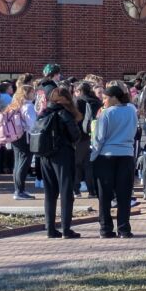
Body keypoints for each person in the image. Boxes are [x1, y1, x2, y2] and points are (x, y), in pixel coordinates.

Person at [32, 87, 84, 238]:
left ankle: (50, 229)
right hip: (63, 155)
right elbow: (75, 136)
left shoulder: (43, 113)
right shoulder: (64, 113)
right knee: (66, 192)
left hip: (44, 155)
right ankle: (66, 229)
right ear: (66, 99)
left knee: (50, 193)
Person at [91, 82, 137, 238]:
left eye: (106, 98)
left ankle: (105, 228)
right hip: (126, 155)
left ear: (115, 98)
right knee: (124, 194)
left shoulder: (107, 113)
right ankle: (124, 228)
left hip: (106, 156)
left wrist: (93, 156)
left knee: (104, 195)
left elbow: (99, 138)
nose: (104, 101)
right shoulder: (132, 111)